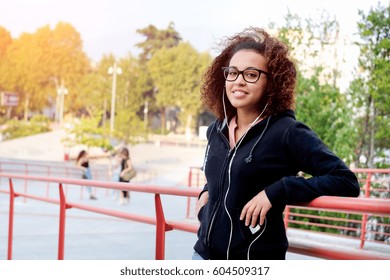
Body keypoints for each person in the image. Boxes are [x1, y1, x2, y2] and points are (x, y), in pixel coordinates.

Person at [193, 27, 360, 260]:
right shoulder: (216, 130)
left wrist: (278, 191)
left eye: (251, 74)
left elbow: (346, 182)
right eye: (232, 72)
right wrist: (206, 193)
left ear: (272, 83)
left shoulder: (287, 132)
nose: (238, 81)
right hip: (203, 256)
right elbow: (224, 174)